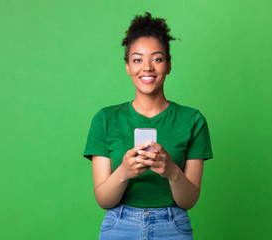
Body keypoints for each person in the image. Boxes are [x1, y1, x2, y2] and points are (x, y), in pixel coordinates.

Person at [83, 12, 213, 240]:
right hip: (119, 225)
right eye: (137, 59)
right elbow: (104, 200)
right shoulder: (105, 119)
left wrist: (172, 171)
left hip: (173, 227)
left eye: (157, 58)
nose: (147, 67)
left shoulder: (192, 120)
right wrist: (124, 172)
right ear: (127, 66)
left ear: (169, 65)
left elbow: (189, 200)